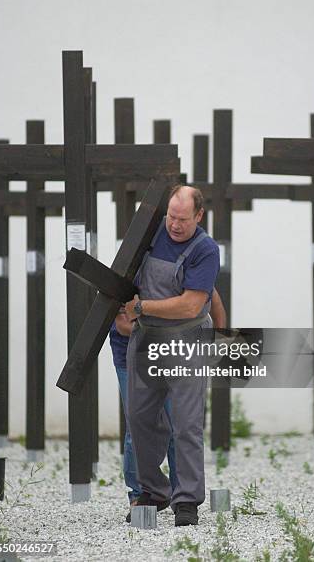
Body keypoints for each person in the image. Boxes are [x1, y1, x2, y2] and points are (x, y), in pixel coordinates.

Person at [124, 185, 223, 527]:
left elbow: (192, 303)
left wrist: (140, 307)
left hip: (186, 340)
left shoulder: (206, 249)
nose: (175, 225)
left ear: (199, 216)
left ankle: (188, 500)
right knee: (139, 417)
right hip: (146, 339)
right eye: (171, 217)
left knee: (186, 424)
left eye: (183, 219)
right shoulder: (150, 235)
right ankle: (154, 490)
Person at [109, 313, 178, 516]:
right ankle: (140, 494)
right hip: (132, 356)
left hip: (172, 355)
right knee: (137, 427)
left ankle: (182, 496)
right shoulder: (124, 283)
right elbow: (123, 325)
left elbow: (208, 298)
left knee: (178, 425)